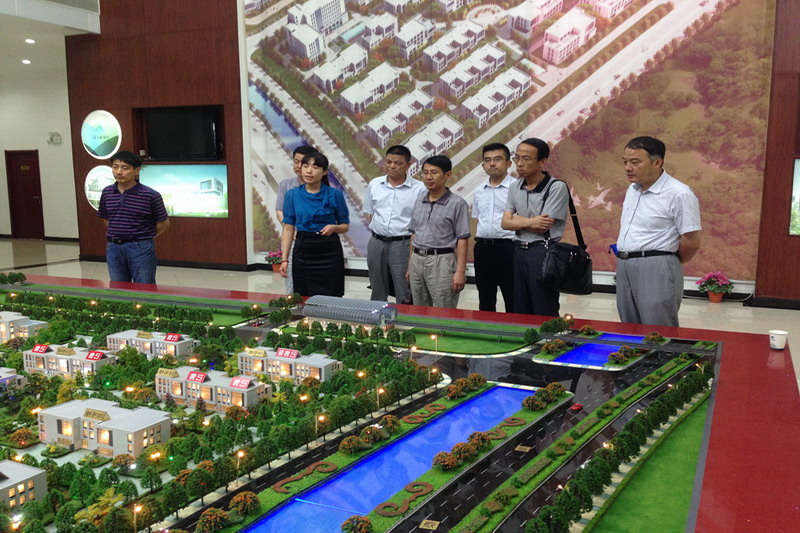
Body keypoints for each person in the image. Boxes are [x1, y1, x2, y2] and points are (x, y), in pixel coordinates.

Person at [616, 136, 701, 327]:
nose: (628, 168)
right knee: (628, 326)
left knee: (658, 328)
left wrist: (666, 260)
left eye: (635, 162)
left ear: (657, 162)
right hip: (624, 265)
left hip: (657, 265)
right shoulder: (632, 189)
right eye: (625, 162)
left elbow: (692, 241)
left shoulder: (679, 194)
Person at [501, 138, 568, 317]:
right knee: (520, 305)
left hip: (543, 251)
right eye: (517, 158)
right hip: (518, 250)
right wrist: (530, 222)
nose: (520, 163)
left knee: (543, 304)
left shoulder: (556, 187)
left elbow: (543, 226)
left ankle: (548, 336)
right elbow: (505, 223)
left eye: (526, 159)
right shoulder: (515, 187)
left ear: (542, 161)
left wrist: (518, 220)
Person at [279, 151, 349, 296]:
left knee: (331, 294)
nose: (309, 171)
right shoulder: (292, 195)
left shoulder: (334, 194)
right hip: (303, 248)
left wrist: (334, 228)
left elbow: (345, 226)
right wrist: (284, 259)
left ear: (324, 172)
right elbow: (288, 228)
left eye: (315, 167)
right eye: (305, 166)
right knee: (303, 293)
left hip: (329, 249)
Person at [406, 155, 470, 308]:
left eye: (434, 172)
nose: (428, 177)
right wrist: (410, 264)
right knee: (419, 308)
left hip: (442, 261)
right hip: (417, 259)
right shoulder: (419, 200)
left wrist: (460, 272)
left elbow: (462, 239)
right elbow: (414, 234)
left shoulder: (457, 204)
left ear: (447, 175)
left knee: (444, 309)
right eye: (425, 172)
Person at [364, 145, 425, 303]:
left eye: (398, 163)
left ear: (408, 165)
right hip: (376, 242)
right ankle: (378, 316)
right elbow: (369, 212)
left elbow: (421, 222)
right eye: (388, 162)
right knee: (377, 286)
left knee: (403, 288)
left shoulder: (419, 189)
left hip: (403, 244)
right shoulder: (375, 184)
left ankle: (404, 317)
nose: (392, 166)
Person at [97, 150, 169, 284]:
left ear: (137, 171)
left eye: (125, 168)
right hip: (113, 247)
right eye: (115, 167)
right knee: (118, 287)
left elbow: (163, 223)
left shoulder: (150, 195)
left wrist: (143, 237)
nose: (119, 172)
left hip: (140, 247)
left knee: (144, 286)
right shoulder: (107, 192)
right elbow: (106, 219)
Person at [472, 143, 516, 313]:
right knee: (485, 296)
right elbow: (479, 218)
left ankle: (514, 328)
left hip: (509, 248)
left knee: (512, 295)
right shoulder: (479, 191)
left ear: (508, 163)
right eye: (487, 160)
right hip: (483, 248)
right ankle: (485, 327)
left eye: (497, 159)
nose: (492, 164)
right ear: (483, 165)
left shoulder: (517, 189)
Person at [275, 144, 316, 294]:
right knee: (293, 282)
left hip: (315, 240)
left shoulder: (321, 188)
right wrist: (290, 228)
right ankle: (293, 305)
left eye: (302, 162)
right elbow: (279, 211)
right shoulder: (286, 185)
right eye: (296, 161)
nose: (298, 166)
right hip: (293, 239)